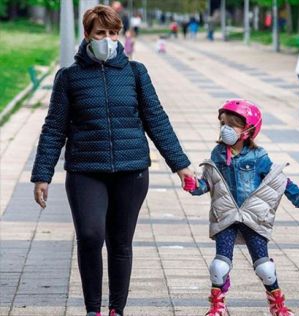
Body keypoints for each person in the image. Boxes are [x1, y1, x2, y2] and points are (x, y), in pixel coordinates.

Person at [30, 5, 193, 316]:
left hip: (131, 172)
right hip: (85, 170)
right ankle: (94, 309)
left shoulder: (136, 72)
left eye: (113, 33)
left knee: (120, 243)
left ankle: (116, 309)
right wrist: (42, 174)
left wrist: (180, 164)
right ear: (88, 36)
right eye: (101, 33)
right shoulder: (69, 77)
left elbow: (156, 120)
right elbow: (54, 128)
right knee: (90, 235)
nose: (108, 39)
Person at [184, 99, 299, 316]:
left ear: (248, 129)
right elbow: (209, 183)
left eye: (232, 125)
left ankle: (277, 305)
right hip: (226, 216)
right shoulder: (218, 154)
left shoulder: (258, 156)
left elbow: (278, 180)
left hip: (252, 217)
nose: (225, 129)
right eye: (223, 123)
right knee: (219, 266)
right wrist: (194, 185)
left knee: (265, 268)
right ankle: (217, 306)